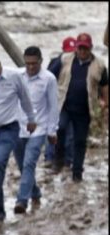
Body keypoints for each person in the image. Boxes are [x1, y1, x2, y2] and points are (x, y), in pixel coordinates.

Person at [0, 51, 37, 226]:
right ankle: (0, 212)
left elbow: (25, 99)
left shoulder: (14, 77)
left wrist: (31, 120)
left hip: (8, 129)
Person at [50, 32, 109, 182]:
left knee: (80, 141)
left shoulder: (99, 65)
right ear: (76, 47)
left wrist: (105, 102)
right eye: (80, 48)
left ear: (90, 48)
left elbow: (104, 85)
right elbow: (50, 76)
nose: (82, 51)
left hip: (84, 109)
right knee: (60, 128)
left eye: (85, 48)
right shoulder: (64, 59)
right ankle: (59, 159)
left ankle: (77, 172)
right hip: (65, 105)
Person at [11, 47, 58, 214]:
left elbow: (53, 106)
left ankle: (21, 201)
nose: (30, 67)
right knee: (22, 166)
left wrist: (52, 131)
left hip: (39, 128)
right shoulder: (17, 76)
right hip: (18, 127)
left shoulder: (49, 79)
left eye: (34, 64)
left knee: (29, 162)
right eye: (27, 63)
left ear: (41, 61)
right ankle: (35, 192)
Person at [44, 37, 77, 169]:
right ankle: (50, 157)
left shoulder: (79, 64)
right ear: (63, 50)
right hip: (57, 102)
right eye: (68, 51)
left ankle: (68, 160)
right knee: (54, 130)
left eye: (72, 51)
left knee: (70, 134)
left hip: (73, 104)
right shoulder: (57, 62)